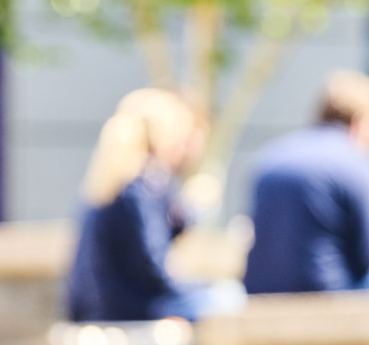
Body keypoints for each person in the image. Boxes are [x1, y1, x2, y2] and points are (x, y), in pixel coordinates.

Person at [242, 72, 369, 296]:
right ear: (363, 122)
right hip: (328, 292)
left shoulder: (272, 157)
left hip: (261, 291)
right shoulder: (362, 163)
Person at [65, 88, 240, 323]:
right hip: (130, 310)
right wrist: (201, 288)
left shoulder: (108, 181)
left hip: (97, 309)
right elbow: (151, 268)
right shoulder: (141, 187)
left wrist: (180, 219)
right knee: (230, 298)